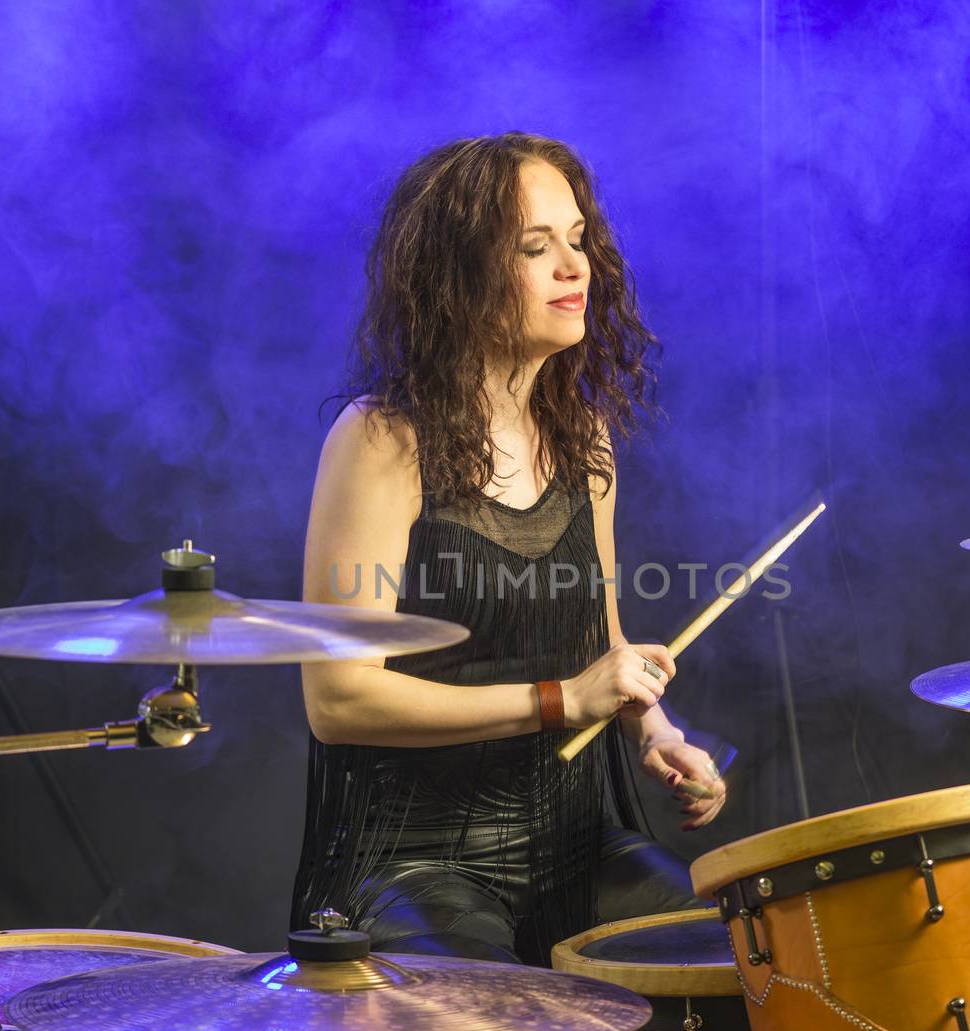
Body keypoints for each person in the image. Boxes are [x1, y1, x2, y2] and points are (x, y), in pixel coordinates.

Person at [290, 133, 727, 965]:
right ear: (459, 278)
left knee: (744, 962)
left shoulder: (582, 438)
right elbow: (339, 702)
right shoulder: (382, 439)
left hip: (577, 842)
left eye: (577, 238)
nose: (575, 266)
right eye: (536, 247)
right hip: (417, 862)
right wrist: (565, 700)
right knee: (490, 1027)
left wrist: (655, 730)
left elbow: (599, 639)